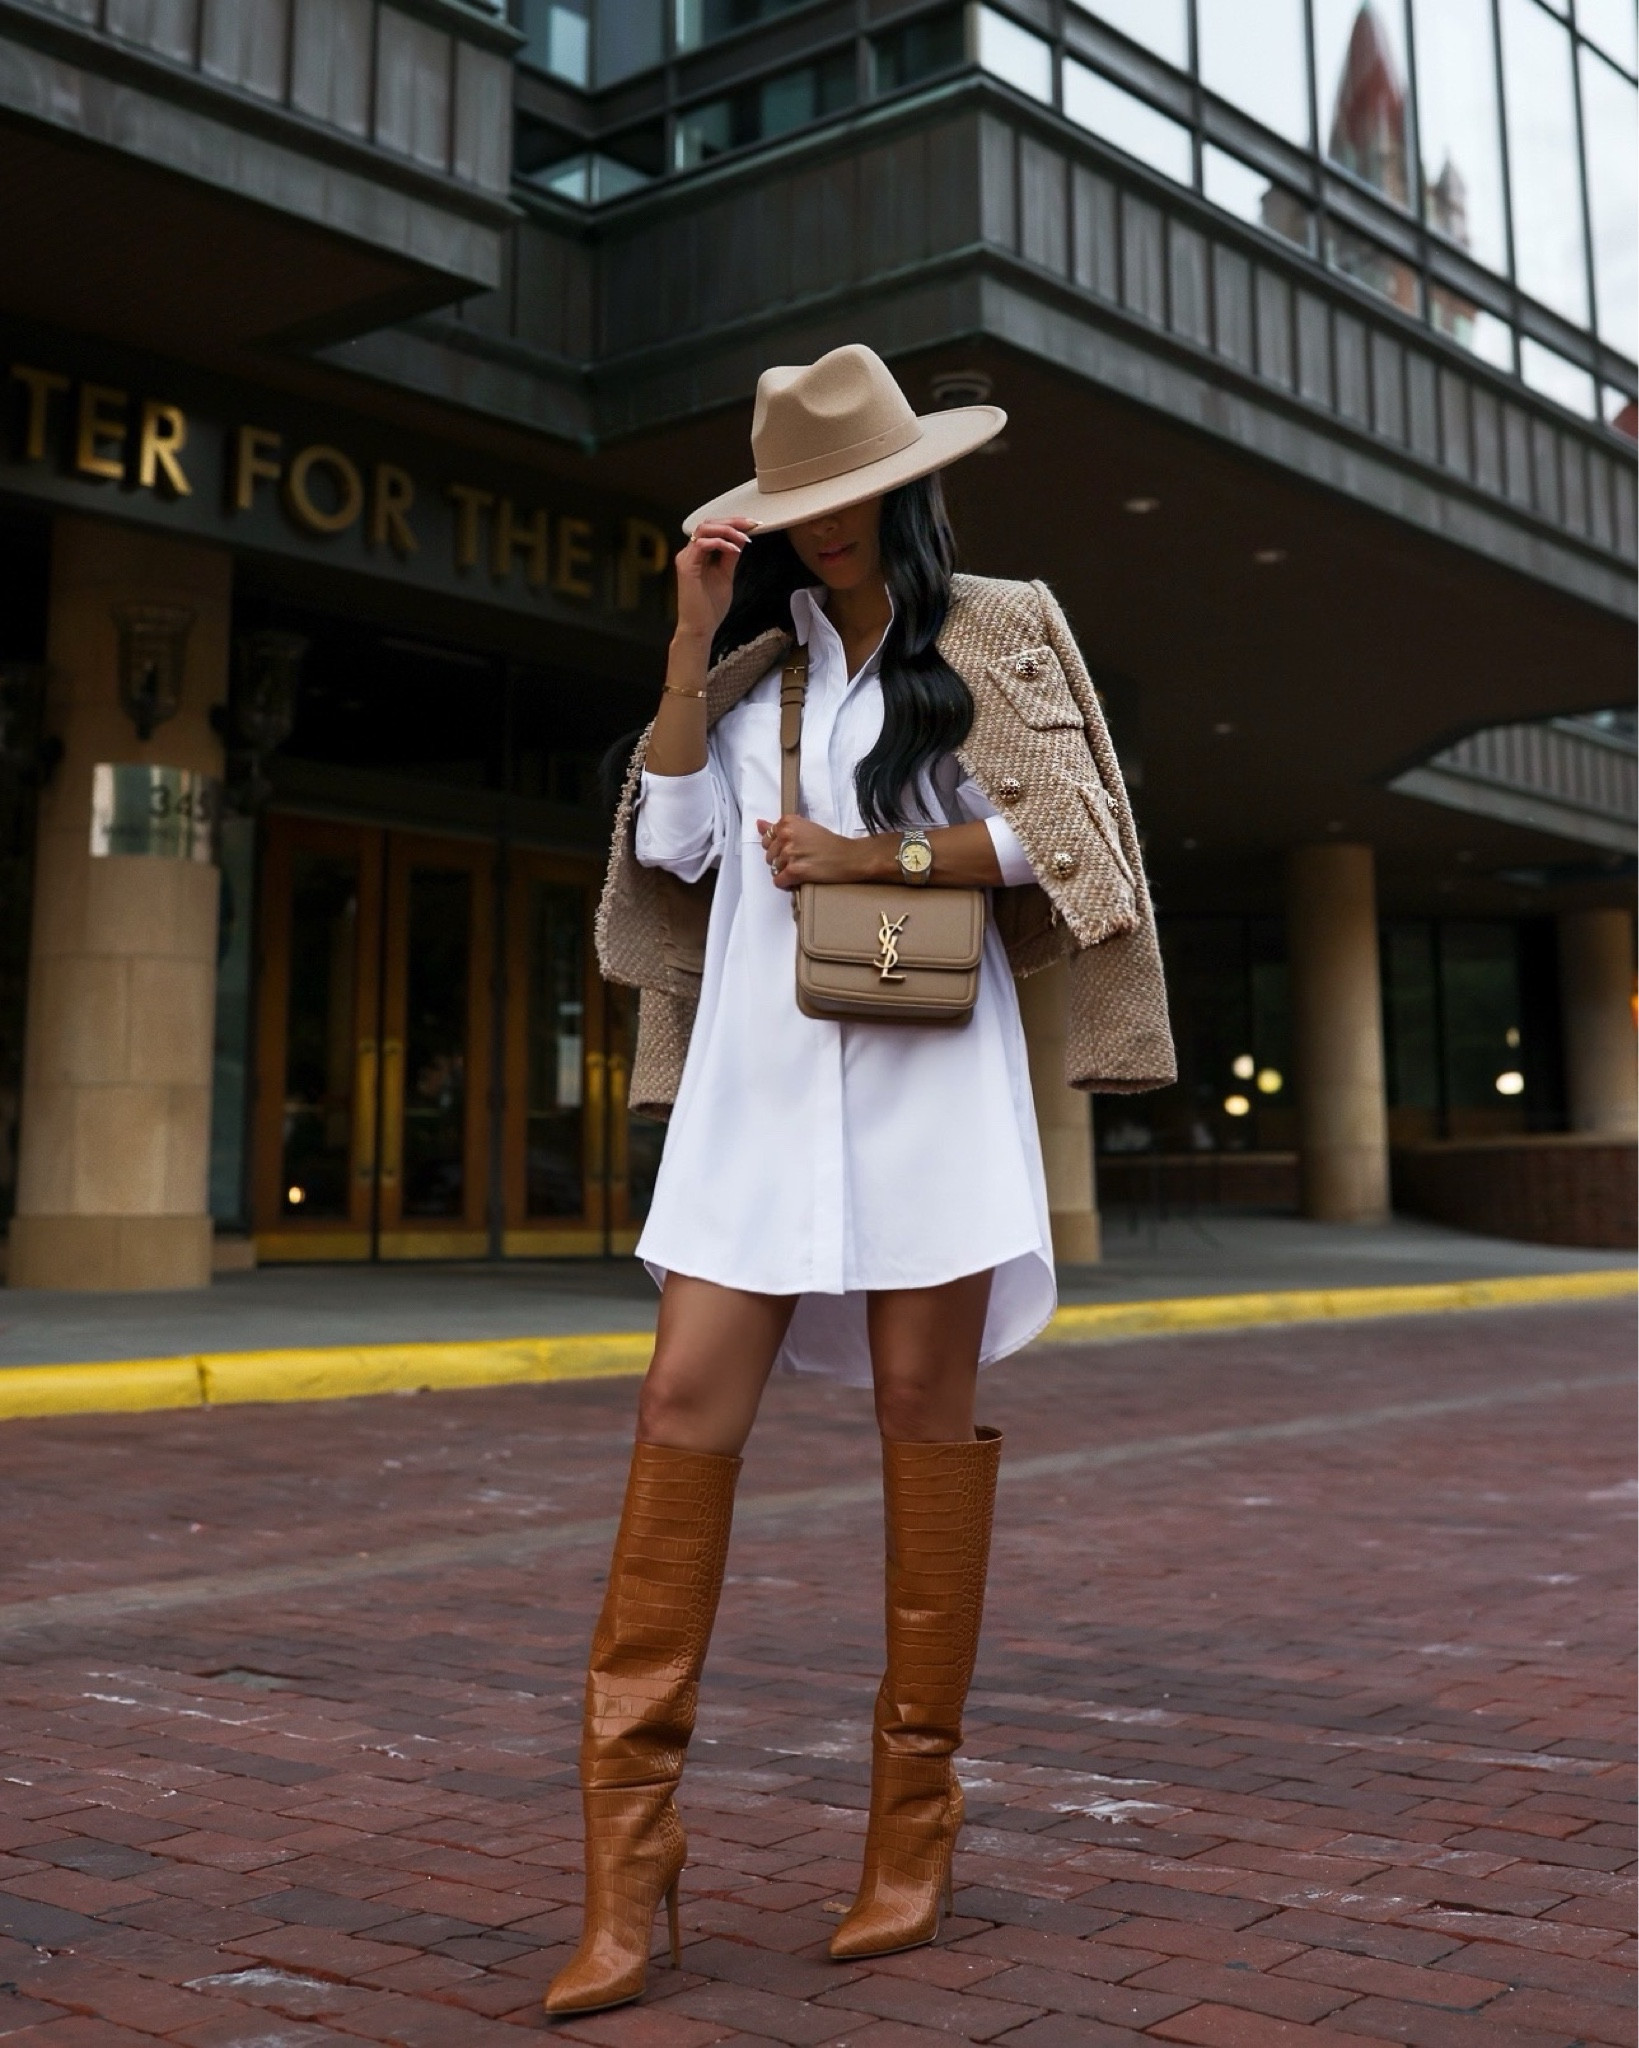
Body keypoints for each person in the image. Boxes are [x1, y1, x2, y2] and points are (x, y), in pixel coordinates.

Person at [545, 344, 1174, 2018]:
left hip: (928, 1100)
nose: (823, 533)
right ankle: (630, 1865)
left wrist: (877, 852)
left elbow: (1071, 841)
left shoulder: (995, 637)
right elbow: (673, 847)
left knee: (923, 1418)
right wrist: (685, 642)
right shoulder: (749, 685)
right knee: (683, 1403)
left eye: (847, 501)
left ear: (901, 490)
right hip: (753, 1104)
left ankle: (912, 1830)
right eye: (792, 509)